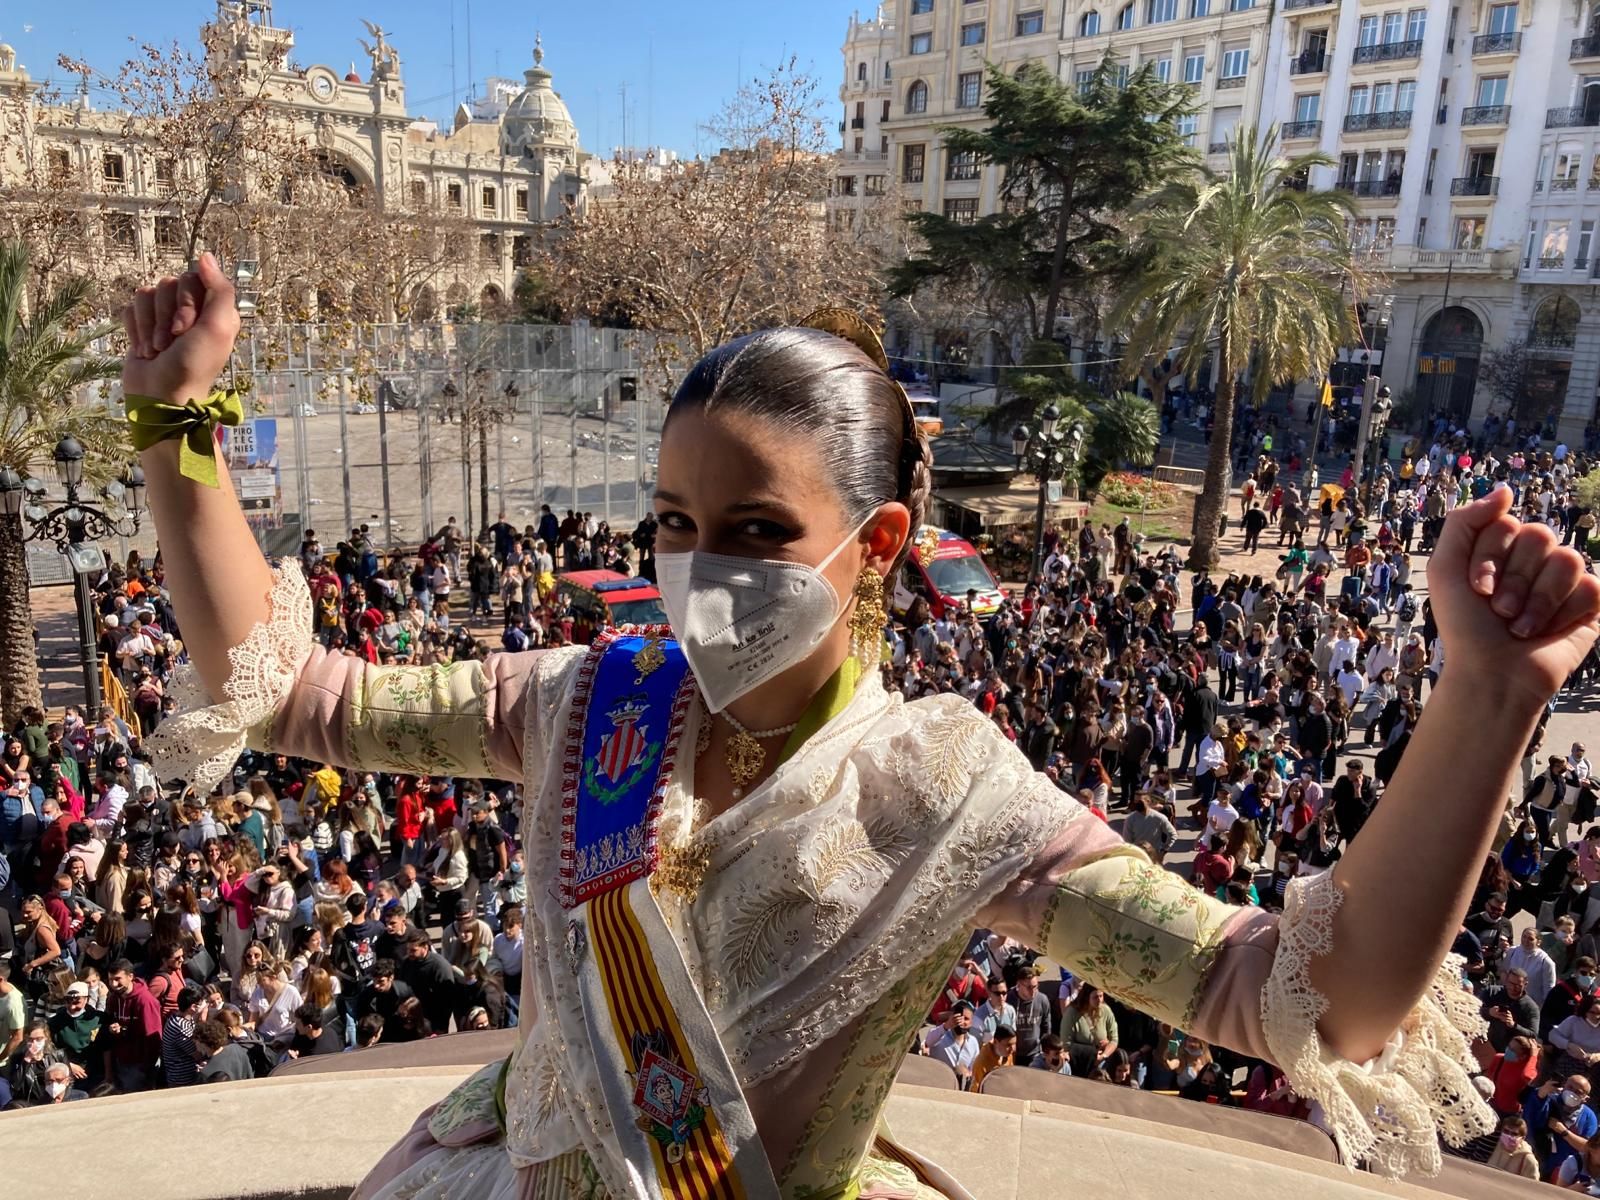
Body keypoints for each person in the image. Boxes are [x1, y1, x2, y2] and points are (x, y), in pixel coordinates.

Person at [124, 264, 1600, 1194]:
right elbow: (305, 696)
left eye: (758, 529)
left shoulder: (949, 788)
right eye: (677, 523)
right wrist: (177, 429)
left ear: (879, 540)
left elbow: (1288, 996)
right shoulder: (590, 700)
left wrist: (1488, 699)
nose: (701, 567)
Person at [1524, 1074, 1598, 1179]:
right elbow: (1530, 1117)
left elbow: (1587, 1147)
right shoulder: (1549, 1101)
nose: (1572, 1093)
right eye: (1570, 1087)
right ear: (1564, 1085)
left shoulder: (1589, 1117)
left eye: (1578, 1092)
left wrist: (1564, 1132)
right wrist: (1542, 1092)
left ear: (1585, 1098)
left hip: (1564, 1172)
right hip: (1537, 1162)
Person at [1485, 1114, 1540, 1180]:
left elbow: (1532, 1186)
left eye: (1514, 1134)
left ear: (1523, 1138)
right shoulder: (1492, 1146)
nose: (1509, 1136)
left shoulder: (1528, 1161)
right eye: (1506, 1131)